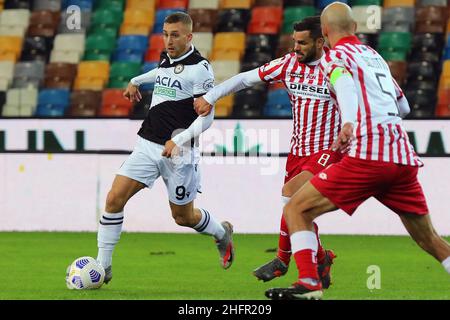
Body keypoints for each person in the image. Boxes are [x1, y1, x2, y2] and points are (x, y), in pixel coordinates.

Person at [266, 2, 450, 300]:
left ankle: (310, 284)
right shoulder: (374, 56)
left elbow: (345, 86)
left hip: (368, 156)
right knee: (430, 239)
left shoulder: (333, 56)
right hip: (401, 157)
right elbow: (404, 106)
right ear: (354, 27)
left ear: (324, 32)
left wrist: (350, 122)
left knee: (295, 208)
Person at [194, 16, 341, 288]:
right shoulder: (288, 64)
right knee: (298, 209)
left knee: (291, 197)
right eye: (294, 41)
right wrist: (210, 97)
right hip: (298, 152)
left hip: (328, 151)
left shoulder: (337, 68)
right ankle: (322, 257)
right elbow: (244, 80)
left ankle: (283, 260)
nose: (296, 47)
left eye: (303, 42)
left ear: (321, 41)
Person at [89, 12, 235, 285]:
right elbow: (162, 73)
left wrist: (178, 140)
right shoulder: (168, 57)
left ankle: (220, 232)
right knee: (113, 199)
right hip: (147, 143)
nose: (168, 40)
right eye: (166, 34)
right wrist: (136, 79)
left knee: (183, 217)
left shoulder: (200, 68)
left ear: (189, 37)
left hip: (180, 152)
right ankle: (103, 266)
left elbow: (208, 116)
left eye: (175, 35)